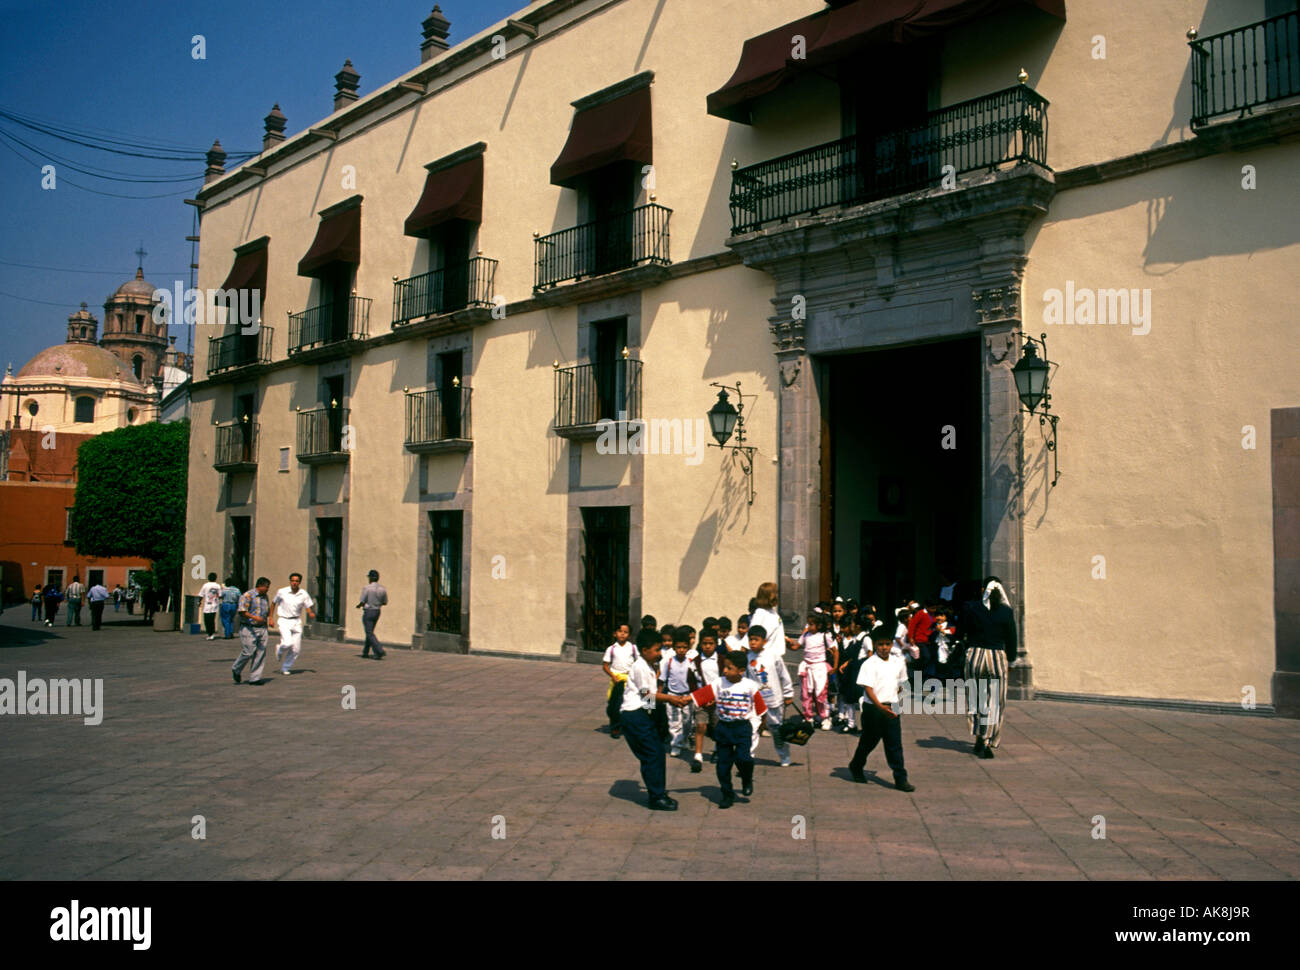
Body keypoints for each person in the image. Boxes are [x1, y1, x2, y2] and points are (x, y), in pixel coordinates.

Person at [620, 628, 690, 811]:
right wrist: (670, 699)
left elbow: (649, 700)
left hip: (642, 714)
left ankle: (657, 790)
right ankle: (656, 796)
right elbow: (646, 696)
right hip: (634, 715)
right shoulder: (641, 666)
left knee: (657, 752)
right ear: (644, 650)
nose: (659, 653)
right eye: (657, 649)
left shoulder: (649, 666)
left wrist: (653, 716)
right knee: (652, 754)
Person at [692, 651, 766, 809]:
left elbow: (761, 710)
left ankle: (747, 778)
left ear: (740, 670)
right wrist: (676, 700)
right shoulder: (719, 683)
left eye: (729, 668)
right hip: (724, 728)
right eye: (724, 667)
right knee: (723, 765)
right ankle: (727, 793)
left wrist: (759, 727)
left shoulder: (750, 686)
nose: (724, 671)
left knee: (743, 758)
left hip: (742, 728)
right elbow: (697, 696)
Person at [848, 624, 916, 791]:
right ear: (875, 645)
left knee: (894, 744)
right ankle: (856, 765)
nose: (884, 648)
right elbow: (868, 688)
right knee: (868, 742)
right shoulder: (869, 664)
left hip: (892, 708)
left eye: (887, 644)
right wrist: (879, 706)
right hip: (873, 710)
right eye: (880, 644)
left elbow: (901, 683)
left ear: (891, 644)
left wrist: (897, 700)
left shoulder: (898, 662)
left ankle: (900, 778)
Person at [960, 578, 1015, 759]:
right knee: (995, 702)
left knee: (976, 698)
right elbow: (1011, 639)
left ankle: (978, 735)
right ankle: (987, 739)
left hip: (975, 655)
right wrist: (1012, 659)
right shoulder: (1006, 612)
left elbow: (963, 630)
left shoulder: (972, 608)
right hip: (996, 656)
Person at [746, 623, 794, 766]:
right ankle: (748, 756)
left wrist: (788, 693)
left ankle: (784, 756)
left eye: (756, 639)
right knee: (752, 728)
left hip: (774, 699)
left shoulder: (773, 656)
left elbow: (784, 675)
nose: (753, 643)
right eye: (750, 639)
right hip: (756, 701)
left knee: (776, 729)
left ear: (764, 641)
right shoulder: (748, 657)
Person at [793, 611, 837, 730]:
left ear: (818, 625)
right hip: (807, 668)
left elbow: (835, 650)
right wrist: (787, 642)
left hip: (819, 669)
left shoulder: (824, 636)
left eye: (811, 624)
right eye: (808, 623)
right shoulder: (806, 635)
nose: (809, 626)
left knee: (820, 694)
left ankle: (825, 717)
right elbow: (796, 646)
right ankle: (808, 717)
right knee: (806, 694)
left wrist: (835, 666)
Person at [688, 630, 722, 772]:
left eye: (711, 643)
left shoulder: (721, 660)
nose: (707, 646)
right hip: (701, 699)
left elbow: (723, 680)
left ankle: (716, 750)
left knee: (717, 727)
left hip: (717, 699)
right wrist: (701, 697)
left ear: (716, 644)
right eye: (705, 644)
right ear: (700, 644)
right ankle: (698, 756)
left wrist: (715, 697)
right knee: (700, 726)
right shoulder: (695, 662)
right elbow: (692, 682)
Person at [271, 573, 315, 677]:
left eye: (296, 581)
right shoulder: (282, 592)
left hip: (296, 621)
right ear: (290, 581)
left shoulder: (303, 594)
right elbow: (273, 603)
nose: (294, 583)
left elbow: (307, 606)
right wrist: (270, 618)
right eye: (292, 580)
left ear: (299, 582)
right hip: (284, 620)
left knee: (296, 649)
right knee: (287, 642)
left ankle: (285, 667)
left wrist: (310, 613)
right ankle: (280, 649)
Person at [660, 633, 695, 757]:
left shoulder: (691, 662)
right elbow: (662, 679)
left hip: (687, 696)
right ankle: (675, 745)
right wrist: (659, 695)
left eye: (684, 647)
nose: (681, 650)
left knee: (687, 721)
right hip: (672, 696)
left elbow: (695, 681)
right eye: (678, 647)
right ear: (674, 648)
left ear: (688, 649)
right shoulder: (668, 662)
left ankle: (685, 739)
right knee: (674, 722)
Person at [232, 577, 271, 685]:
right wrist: (255, 618)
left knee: (260, 652)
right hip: (249, 627)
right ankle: (236, 668)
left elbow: (266, 611)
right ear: (260, 586)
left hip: (262, 628)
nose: (268, 589)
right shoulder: (247, 596)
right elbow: (242, 612)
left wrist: (268, 621)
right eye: (266, 587)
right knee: (249, 651)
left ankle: (255, 678)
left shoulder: (265, 597)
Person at [602, 621, 637, 738]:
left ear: (629, 635)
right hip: (617, 679)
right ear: (615, 634)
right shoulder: (611, 649)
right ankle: (615, 727)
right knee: (614, 704)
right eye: (620, 631)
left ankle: (629, 726)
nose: (622, 634)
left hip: (630, 679)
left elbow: (637, 662)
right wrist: (613, 676)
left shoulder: (632, 648)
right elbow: (605, 665)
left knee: (629, 703)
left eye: (625, 632)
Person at [836, 612, 867, 733]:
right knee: (848, 697)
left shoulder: (864, 638)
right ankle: (851, 723)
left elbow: (869, 655)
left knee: (862, 698)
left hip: (859, 671)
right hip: (849, 672)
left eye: (852, 624)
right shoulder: (853, 640)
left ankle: (867, 726)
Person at [748, 582, 787, 660]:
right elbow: (752, 633)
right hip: (763, 657)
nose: (777, 596)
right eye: (775, 593)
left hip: (775, 656)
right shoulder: (760, 613)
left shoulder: (773, 613)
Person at [356, 569, 388, 659]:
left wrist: (359, 606)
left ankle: (379, 649)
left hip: (368, 611)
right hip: (377, 611)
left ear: (370, 578)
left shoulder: (367, 588)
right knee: (370, 632)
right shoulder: (382, 589)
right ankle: (366, 652)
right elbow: (385, 602)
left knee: (369, 632)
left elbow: (362, 601)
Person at [199, 572, 222, 640]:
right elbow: (220, 595)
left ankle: (209, 633)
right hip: (214, 604)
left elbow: (201, 595)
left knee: (207, 620)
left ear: (208, 578)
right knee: (212, 620)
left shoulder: (205, 585)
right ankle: (212, 634)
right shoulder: (218, 586)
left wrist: (199, 602)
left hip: (207, 605)